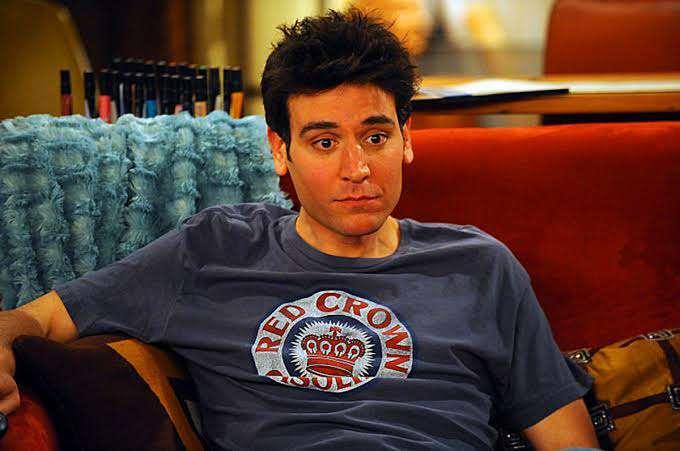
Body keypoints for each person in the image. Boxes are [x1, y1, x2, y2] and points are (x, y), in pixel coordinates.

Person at [0, 9, 599, 450]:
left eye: (376, 136)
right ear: (279, 151)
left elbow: (568, 441)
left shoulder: (479, 265)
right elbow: (37, 318)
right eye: (324, 142)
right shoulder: (213, 250)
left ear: (407, 139)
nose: (357, 168)